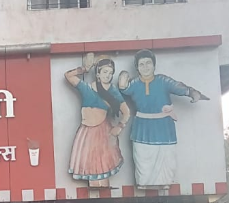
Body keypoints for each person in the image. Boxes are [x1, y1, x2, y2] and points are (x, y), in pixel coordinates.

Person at [120, 49, 208, 188]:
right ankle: (144, 183)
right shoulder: (135, 84)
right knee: (143, 158)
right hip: (143, 127)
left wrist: (192, 92)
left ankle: (165, 182)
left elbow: (178, 86)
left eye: (148, 63)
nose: (146, 67)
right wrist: (122, 79)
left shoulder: (162, 80)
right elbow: (123, 89)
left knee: (167, 157)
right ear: (137, 68)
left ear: (154, 65)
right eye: (141, 64)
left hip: (164, 126)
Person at [65, 55, 131, 186]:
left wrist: (120, 126)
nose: (108, 75)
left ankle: (104, 199)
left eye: (111, 73)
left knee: (102, 168)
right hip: (87, 133)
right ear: (98, 74)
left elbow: (127, 112)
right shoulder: (87, 88)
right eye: (105, 72)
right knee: (91, 169)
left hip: (103, 133)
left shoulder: (113, 91)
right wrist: (84, 69)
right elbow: (68, 75)